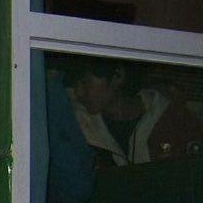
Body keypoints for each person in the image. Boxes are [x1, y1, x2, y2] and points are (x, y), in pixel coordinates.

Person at [64, 57, 203, 166]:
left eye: (85, 82)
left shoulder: (176, 120)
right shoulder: (75, 125)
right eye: (75, 85)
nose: (78, 92)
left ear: (117, 75)